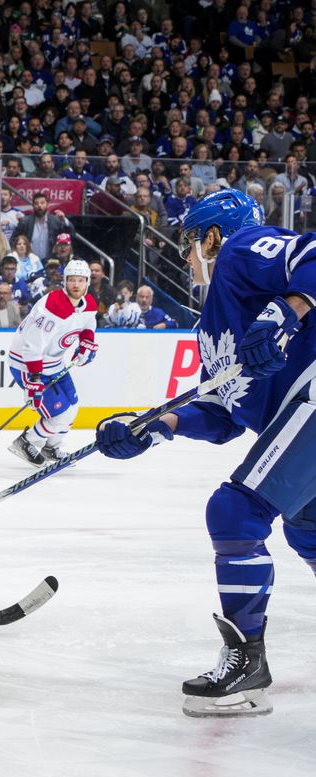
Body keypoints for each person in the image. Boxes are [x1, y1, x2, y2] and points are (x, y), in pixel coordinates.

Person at [94, 189, 316, 718]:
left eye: (190, 240)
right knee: (305, 528)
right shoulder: (211, 323)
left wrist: (288, 310)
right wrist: (149, 428)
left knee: (236, 511)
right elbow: (220, 412)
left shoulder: (241, 250)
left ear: (212, 237)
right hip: (299, 417)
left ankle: (247, 662)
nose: (184, 253)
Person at [5, 258, 99, 465]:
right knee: (59, 414)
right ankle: (26, 442)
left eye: (81, 280)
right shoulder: (54, 306)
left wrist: (86, 344)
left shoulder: (89, 304)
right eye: (72, 280)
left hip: (54, 363)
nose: (76, 284)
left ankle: (51, 447)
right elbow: (32, 343)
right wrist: (34, 379)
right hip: (26, 364)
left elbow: (88, 326)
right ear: (65, 281)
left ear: (87, 282)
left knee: (72, 409)